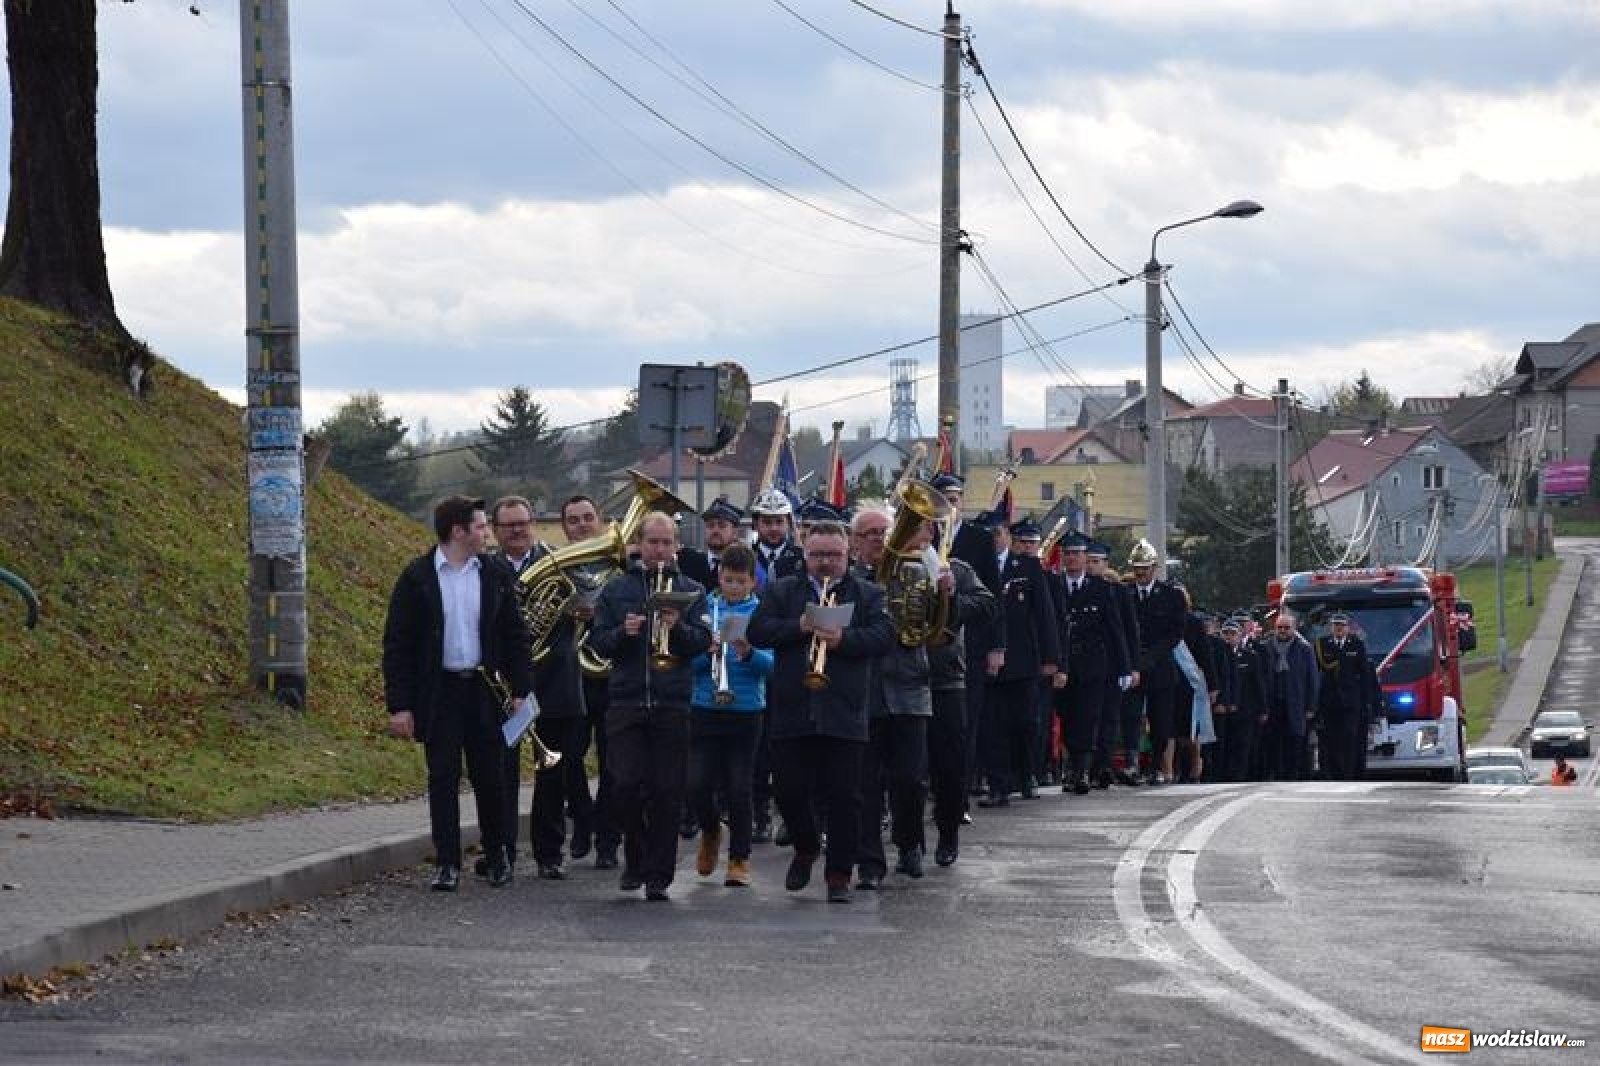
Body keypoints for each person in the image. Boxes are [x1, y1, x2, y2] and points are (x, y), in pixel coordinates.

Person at [382, 495, 534, 892]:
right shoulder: (416, 578)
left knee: (493, 777)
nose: (487, 533)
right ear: (458, 532)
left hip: (486, 691)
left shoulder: (495, 573)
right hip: (441, 692)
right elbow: (397, 645)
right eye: (481, 526)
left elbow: (515, 636)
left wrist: (521, 689)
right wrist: (400, 705)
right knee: (443, 778)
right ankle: (447, 862)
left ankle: (498, 856)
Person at [748, 520, 895, 904]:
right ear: (805, 555)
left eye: (832, 555)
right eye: (817, 555)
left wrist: (843, 639)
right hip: (793, 707)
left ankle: (839, 875)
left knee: (845, 796)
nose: (825, 563)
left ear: (847, 554)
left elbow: (885, 636)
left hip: (845, 709)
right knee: (788, 790)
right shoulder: (783, 590)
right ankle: (807, 845)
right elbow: (758, 630)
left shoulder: (867, 593)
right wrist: (799, 626)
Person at [587, 511, 713, 901]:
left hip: (672, 700)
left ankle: (659, 874)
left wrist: (678, 628)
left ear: (676, 546)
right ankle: (637, 855)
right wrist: (622, 633)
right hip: (626, 699)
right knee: (623, 785)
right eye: (652, 542)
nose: (659, 550)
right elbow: (597, 642)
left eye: (666, 542)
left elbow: (703, 641)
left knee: (666, 791)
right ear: (639, 544)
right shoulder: (616, 589)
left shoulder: (692, 589)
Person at [491, 494, 592, 882]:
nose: (518, 530)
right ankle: (501, 851)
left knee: (555, 773)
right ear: (497, 531)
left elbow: (591, 597)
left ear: (533, 523)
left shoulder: (557, 561)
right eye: (509, 525)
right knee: (501, 773)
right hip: (506, 683)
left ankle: (549, 853)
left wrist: (582, 607)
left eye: (523, 523)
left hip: (556, 678)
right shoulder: (487, 568)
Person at [851, 505, 937, 888]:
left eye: (884, 531)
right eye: (869, 532)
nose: (878, 539)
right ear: (855, 541)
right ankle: (870, 863)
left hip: (909, 687)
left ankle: (909, 844)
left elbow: (939, 625)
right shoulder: (848, 580)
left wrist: (942, 593)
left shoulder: (916, 573)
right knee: (866, 783)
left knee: (911, 778)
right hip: (864, 691)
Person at [686, 541, 773, 887]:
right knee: (697, 784)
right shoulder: (706, 609)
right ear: (719, 578)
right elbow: (687, 664)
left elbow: (771, 666)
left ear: (753, 582)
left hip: (746, 709)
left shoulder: (761, 615)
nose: (734, 587)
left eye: (741, 581)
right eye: (728, 579)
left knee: (740, 787)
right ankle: (710, 832)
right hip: (705, 706)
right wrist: (706, 652)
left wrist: (748, 652)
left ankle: (739, 858)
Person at [556, 494, 621, 870]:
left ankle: (609, 837)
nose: (582, 525)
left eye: (587, 517)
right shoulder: (558, 569)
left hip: (611, 678)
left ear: (600, 521)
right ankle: (582, 818)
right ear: (565, 528)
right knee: (570, 759)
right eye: (574, 520)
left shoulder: (618, 567)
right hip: (572, 678)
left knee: (614, 762)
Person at [979, 517, 1060, 806]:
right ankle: (998, 785)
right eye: (988, 534)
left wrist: (1051, 657)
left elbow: (1044, 613)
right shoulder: (977, 566)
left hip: (1024, 658)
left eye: (997, 533)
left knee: (1026, 721)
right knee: (994, 725)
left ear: (1007, 536)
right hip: (989, 660)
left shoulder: (1026, 567)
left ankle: (1028, 775)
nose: (993, 539)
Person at [1053, 532, 1130, 795]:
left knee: (1088, 716)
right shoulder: (1054, 586)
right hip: (1063, 664)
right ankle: (1071, 766)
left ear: (1086, 558)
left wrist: (1125, 667)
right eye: (1068, 553)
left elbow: (1115, 629)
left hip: (1093, 664)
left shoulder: (1101, 589)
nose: (1072, 558)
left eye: (1077, 553)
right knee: (1068, 716)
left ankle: (1082, 770)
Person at [1126, 539, 1187, 785]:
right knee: (1129, 717)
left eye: (1145, 568)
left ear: (1154, 568)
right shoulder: (1125, 593)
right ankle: (1131, 765)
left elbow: (1175, 633)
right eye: (1137, 568)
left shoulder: (1172, 596)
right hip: (1132, 666)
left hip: (1159, 667)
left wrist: (1151, 656)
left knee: (1160, 722)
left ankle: (1154, 766)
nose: (1140, 573)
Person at [1086, 541, 1143, 785]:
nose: (1091, 566)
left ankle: (1102, 766)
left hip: (1111, 663)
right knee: (1085, 716)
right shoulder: (1078, 587)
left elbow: (1129, 631)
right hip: (1086, 663)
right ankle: (1082, 766)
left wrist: (1131, 666)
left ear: (1106, 564)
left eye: (1095, 562)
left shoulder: (1119, 592)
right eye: (1088, 561)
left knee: (1109, 716)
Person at [1313, 612, 1378, 780]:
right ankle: (1333, 775)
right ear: (1331, 627)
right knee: (1331, 740)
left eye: (1342, 625)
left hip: (1351, 702)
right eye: (1336, 625)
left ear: (1348, 628)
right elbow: (1316, 673)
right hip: (1329, 701)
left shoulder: (1356, 645)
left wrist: (1367, 702)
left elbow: (1364, 676)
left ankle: (1349, 775)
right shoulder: (1321, 645)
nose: (1339, 628)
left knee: (1350, 739)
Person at [1260, 612, 1319, 780]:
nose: (1283, 631)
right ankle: (1277, 775)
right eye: (1280, 627)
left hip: (1296, 703)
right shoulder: (1266, 647)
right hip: (1272, 703)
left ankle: (1294, 776)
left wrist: (1311, 707)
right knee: (1274, 741)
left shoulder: (1304, 649)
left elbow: (1312, 679)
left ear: (1294, 628)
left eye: (1287, 627)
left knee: (1296, 741)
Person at [678, 496, 745, 590]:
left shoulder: (743, 566)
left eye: (722, 526)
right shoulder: (689, 562)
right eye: (710, 525)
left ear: (735, 532)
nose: (715, 530)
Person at [749, 488, 805, 586]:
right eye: (767, 522)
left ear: (789, 523)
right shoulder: (746, 557)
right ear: (755, 524)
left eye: (779, 522)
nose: (773, 528)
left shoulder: (801, 558)